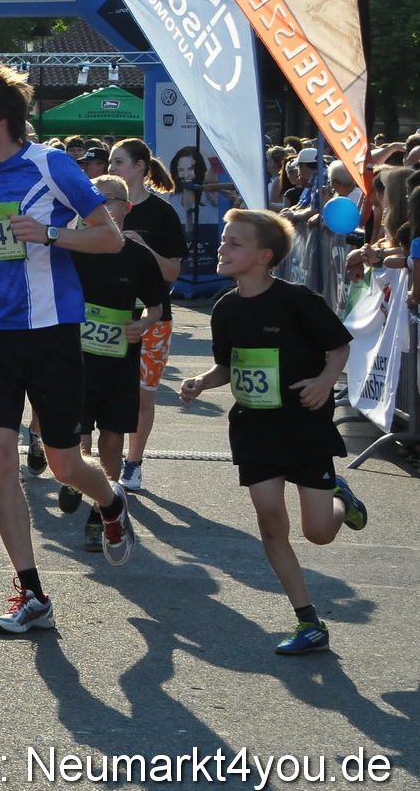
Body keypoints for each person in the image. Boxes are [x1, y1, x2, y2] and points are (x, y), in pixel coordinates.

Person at [0, 64, 136, 636]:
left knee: (63, 462)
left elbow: (109, 236)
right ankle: (31, 592)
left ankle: (112, 501)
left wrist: (51, 234)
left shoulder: (52, 165)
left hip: (50, 331)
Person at [178, 209, 368, 655]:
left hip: (302, 427)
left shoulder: (297, 300)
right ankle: (309, 622)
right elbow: (227, 366)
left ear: (264, 256)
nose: (222, 249)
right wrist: (201, 382)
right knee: (269, 523)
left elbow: (339, 346)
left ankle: (341, 498)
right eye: (224, 241)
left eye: (234, 244)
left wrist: (324, 382)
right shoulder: (224, 307)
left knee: (318, 532)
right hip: (254, 428)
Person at [61, 174, 169, 551]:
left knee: (111, 435)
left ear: (127, 208)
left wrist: (143, 323)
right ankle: (76, 476)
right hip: (74, 359)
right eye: (97, 199)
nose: (105, 205)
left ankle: (99, 511)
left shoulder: (138, 256)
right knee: (76, 434)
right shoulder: (72, 247)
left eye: (112, 199)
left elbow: (157, 306)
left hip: (119, 360)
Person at [109, 139, 185, 493]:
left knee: (143, 395)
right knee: (100, 390)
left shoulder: (162, 213)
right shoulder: (102, 207)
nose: (113, 169)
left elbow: (172, 272)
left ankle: (134, 461)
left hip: (154, 316)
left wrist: (144, 248)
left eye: (119, 162)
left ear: (140, 167)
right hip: (106, 315)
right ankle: (90, 460)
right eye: (111, 162)